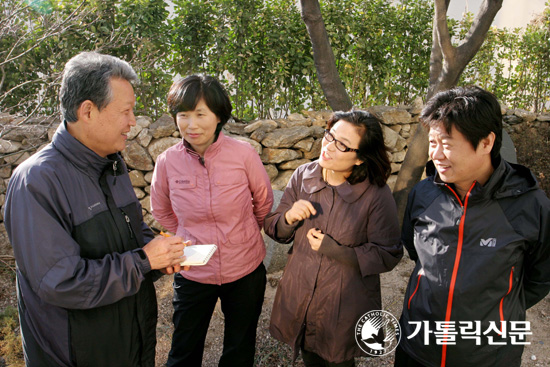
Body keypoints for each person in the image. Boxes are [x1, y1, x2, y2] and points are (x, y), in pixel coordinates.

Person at [3, 52, 187, 367]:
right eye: (126, 111)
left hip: (130, 346)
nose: (133, 122)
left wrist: (161, 255)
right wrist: (144, 261)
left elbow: (132, 238)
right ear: (88, 110)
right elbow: (60, 282)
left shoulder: (112, 165)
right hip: (76, 355)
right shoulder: (37, 181)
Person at [396, 86, 550, 367]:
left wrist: (492, 311)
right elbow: (415, 251)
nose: (437, 154)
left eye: (447, 143)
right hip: (418, 348)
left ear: (486, 142)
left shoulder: (530, 206)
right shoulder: (423, 194)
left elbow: (539, 277)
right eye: (432, 142)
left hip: (488, 356)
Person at [150, 75, 274, 367]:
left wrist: (240, 235)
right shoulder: (167, 162)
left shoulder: (243, 154)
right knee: (183, 350)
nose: (191, 125)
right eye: (183, 115)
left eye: (200, 115)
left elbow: (264, 201)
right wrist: (186, 235)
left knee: (239, 348)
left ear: (218, 116)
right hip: (193, 271)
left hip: (244, 267)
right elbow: (162, 210)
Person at [264, 110, 403, 366]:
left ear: (360, 159)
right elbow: (273, 227)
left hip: (344, 305)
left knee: (338, 359)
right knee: (310, 356)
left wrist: (336, 250)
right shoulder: (304, 175)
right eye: (330, 136)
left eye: (342, 145)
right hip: (301, 293)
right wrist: (288, 219)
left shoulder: (375, 195)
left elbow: (389, 253)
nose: (328, 147)